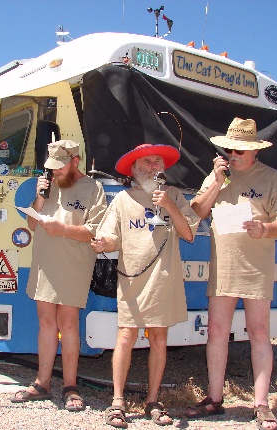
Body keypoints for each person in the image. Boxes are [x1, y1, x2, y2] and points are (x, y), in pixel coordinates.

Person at [186, 118, 277, 430]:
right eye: (229, 149)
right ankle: (214, 399)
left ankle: (262, 405)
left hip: (257, 268)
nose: (232, 154)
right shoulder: (219, 174)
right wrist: (218, 181)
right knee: (217, 332)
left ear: (253, 151)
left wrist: (265, 228)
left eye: (239, 150)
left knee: (259, 332)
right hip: (224, 268)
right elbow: (196, 210)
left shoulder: (272, 178)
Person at [91, 144, 200, 428]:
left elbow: (189, 234)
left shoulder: (173, 195)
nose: (155, 166)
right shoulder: (123, 199)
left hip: (164, 278)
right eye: (148, 162)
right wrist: (104, 244)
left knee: (159, 338)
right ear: (135, 169)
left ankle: (153, 400)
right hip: (132, 279)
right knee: (126, 336)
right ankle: (117, 403)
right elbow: (111, 238)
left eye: (158, 161)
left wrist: (168, 205)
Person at [11, 140, 107, 411]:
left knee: (68, 324)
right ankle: (42, 383)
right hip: (44, 263)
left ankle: (70, 386)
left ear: (75, 161)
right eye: (50, 167)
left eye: (59, 167)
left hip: (74, 264)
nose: (54, 172)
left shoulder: (93, 188)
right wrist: (40, 197)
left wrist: (62, 229)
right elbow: (31, 223)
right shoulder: (47, 184)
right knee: (46, 322)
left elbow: (94, 231)